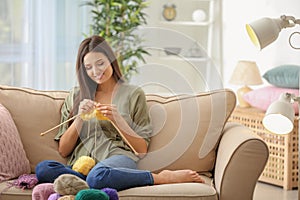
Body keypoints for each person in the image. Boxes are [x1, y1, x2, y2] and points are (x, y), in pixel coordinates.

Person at [35, 35, 204, 192]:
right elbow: (64, 150)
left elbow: (141, 150)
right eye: (88, 67)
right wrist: (79, 118)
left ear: (111, 60)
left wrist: (118, 120)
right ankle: (91, 183)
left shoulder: (133, 94)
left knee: (98, 175)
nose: (95, 71)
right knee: (43, 169)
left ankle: (160, 178)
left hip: (118, 158)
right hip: (81, 165)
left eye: (100, 63)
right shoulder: (76, 95)